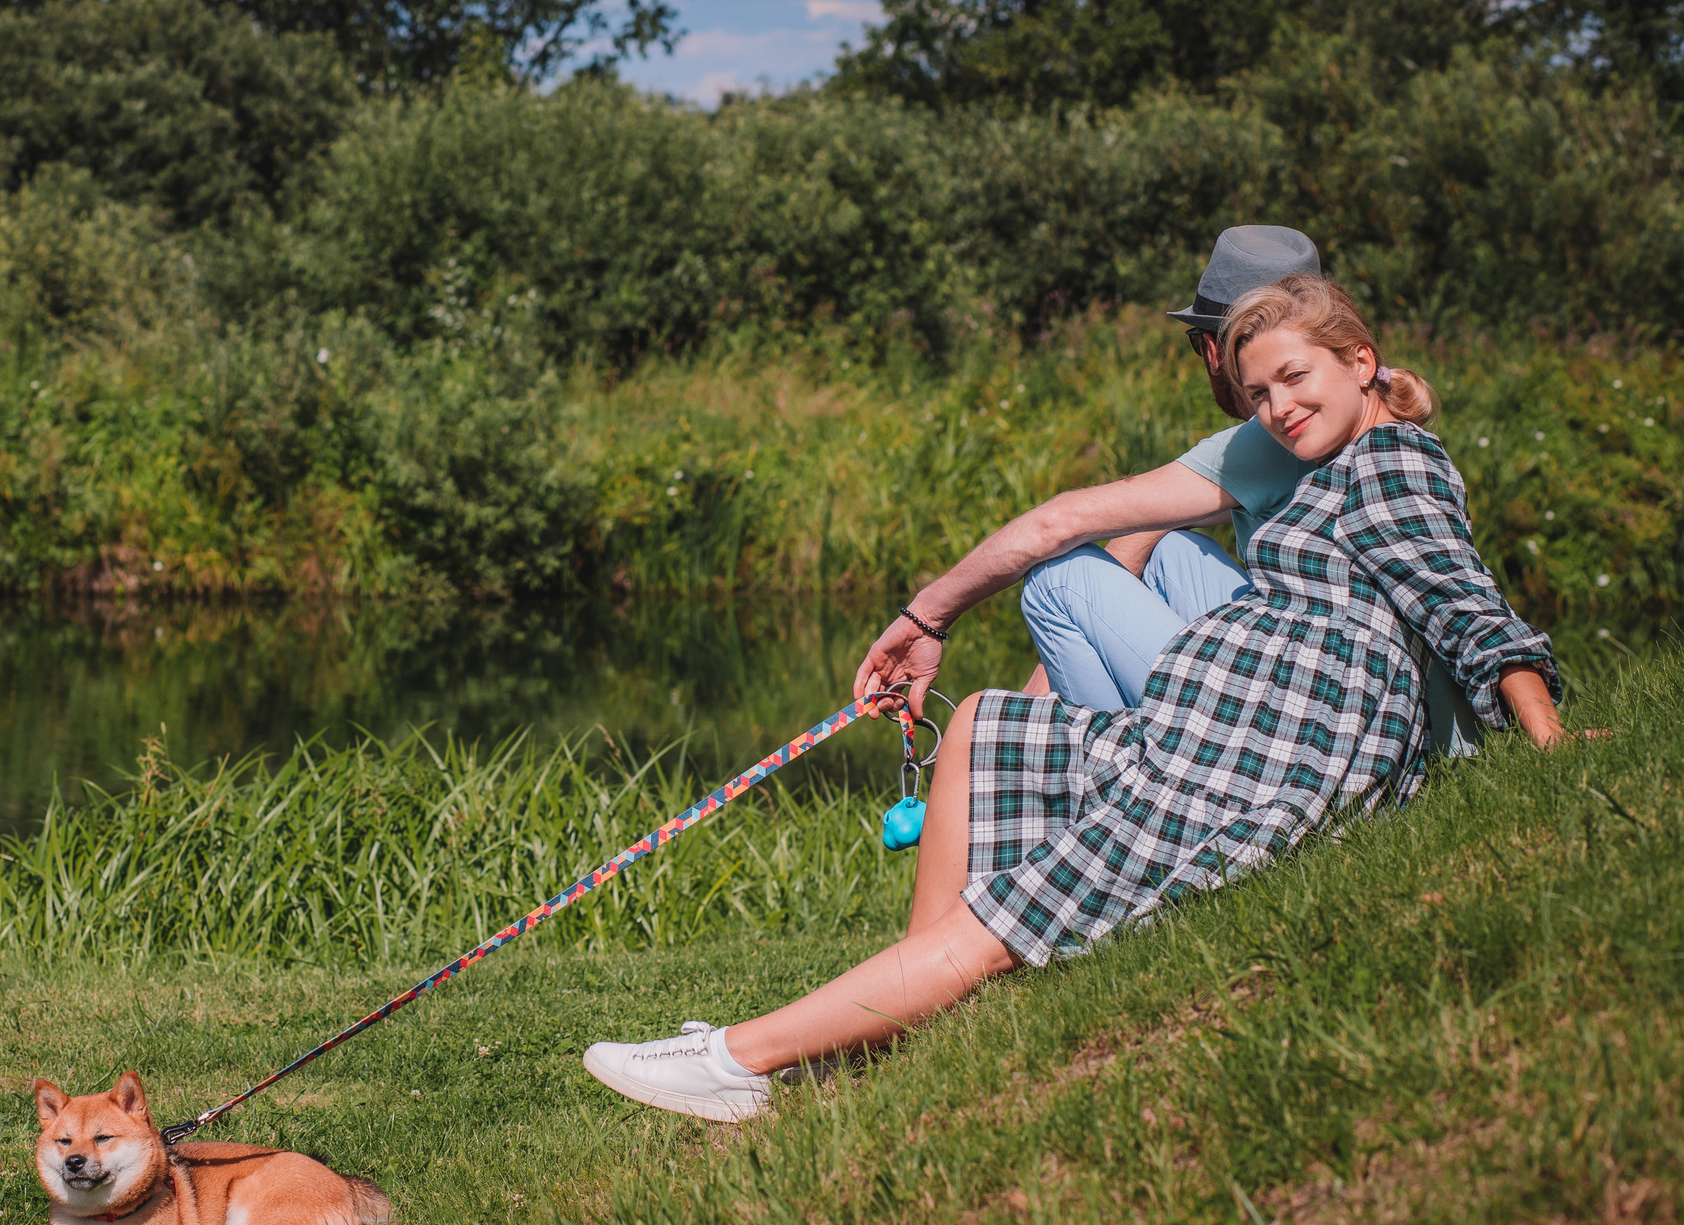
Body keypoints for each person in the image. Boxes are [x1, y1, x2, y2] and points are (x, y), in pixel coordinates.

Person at [582, 275, 1567, 1122]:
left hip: (1271, 750)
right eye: (1259, 392)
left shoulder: (1393, 461)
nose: (1275, 408)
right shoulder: (1320, 464)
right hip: (1225, 720)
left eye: (1294, 378)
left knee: (1014, 912)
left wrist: (1552, 741)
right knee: (988, 726)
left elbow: (1466, 608)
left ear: (1362, 362)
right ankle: (889, 1033)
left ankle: (738, 1064)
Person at [1001, 225, 1481, 753]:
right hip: (1371, 695)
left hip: (1352, 722)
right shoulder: (1362, 418)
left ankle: (1116, 764)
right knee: (1173, 551)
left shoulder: (1277, 438)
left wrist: (943, 621)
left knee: (1057, 581)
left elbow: (1064, 523)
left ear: (1219, 347)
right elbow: (1147, 528)